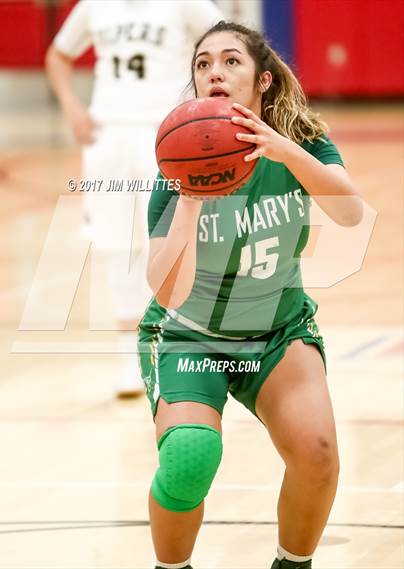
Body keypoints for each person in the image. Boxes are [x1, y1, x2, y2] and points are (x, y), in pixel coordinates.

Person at [138, 20, 363, 569]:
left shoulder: (302, 141)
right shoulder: (178, 163)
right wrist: (191, 201)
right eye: (203, 63)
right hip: (191, 336)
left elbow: (351, 213)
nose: (215, 71)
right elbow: (168, 290)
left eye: (231, 61)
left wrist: (284, 152)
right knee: (190, 456)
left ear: (262, 81)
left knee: (317, 454)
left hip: (278, 330)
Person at [45, 0, 223, 396]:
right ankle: (131, 361)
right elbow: (58, 55)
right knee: (116, 247)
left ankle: (185, 350)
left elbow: (230, 43)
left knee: (166, 244)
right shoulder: (95, 6)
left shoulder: (185, 4)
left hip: (167, 132)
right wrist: (73, 108)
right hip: (106, 135)